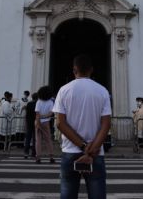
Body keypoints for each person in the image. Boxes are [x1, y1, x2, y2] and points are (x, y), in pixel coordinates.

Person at [53, 54, 111, 199]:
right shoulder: (102, 91)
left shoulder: (64, 90)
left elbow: (60, 123)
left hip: (70, 151)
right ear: (91, 70)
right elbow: (106, 124)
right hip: (95, 153)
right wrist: (91, 149)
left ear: (74, 69)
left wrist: (83, 145)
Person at [35, 85, 55, 163]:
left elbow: (37, 114)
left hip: (38, 121)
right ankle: (51, 157)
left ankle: (38, 157)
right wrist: (44, 116)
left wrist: (38, 122)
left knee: (38, 140)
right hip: (46, 122)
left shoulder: (39, 101)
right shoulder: (50, 102)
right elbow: (51, 113)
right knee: (48, 140)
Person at [23, 92, 38, 159]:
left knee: (28, 138)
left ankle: (26, 152)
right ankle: (34, 153)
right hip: (35, 122)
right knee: (35, 138)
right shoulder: (37, 104)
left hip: (29, 122)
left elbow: (27, 114)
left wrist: (26, 122)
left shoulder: (29, 104)